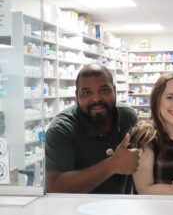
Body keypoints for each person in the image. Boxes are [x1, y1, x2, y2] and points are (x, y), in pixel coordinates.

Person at [45, 64, 139, 194]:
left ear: (114, 90)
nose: (96, 99)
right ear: (77, 95)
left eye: (104, 90)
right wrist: (111, 165)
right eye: (87, 92)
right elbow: (55, 187)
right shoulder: (61, 130)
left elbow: (130, 169)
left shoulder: (127, 117)